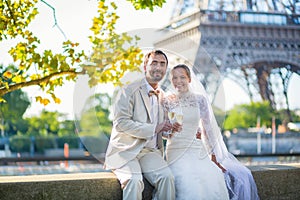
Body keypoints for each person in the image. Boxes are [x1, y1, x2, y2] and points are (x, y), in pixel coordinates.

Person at [163, 64, 260, 200]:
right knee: (187, 181)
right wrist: (170, 130)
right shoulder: (166, 101)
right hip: (176, 150)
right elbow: (163, 133)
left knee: (213, 176)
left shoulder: (200, 100)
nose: (178, 81)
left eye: (182, 77)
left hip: (197, 150)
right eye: (175, 78)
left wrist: (213, 158)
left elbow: (207, 130)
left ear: (190, 79)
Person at [105, 50, 181, 200]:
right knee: (133, 181)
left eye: (162, 64)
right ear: (145, 66)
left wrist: (171, 130)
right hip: (125, 152)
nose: (158, 67)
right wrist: (154, 128)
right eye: (154, 63)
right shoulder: (127, 90)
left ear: (166, 69)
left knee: (167, 178)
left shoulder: (164, 97)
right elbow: (121, 123)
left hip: (150, 152)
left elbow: (162, 132)